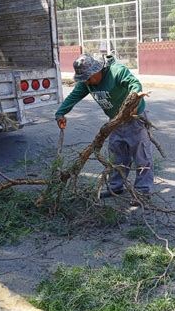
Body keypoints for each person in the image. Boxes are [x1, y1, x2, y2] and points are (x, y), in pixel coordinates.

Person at [55, 54, 154, 204]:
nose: (88, 82)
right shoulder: (87, 82)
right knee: (116, 156)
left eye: (89, 77)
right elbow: (73, 96)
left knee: (141, 156)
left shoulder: (116, 71)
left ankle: (142, 191)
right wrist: (60, 113)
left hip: (135, 119)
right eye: (85, 79)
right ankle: (115, 187)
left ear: (98, 69)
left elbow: (134, 84)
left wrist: (134, 100)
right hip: (115, 121)